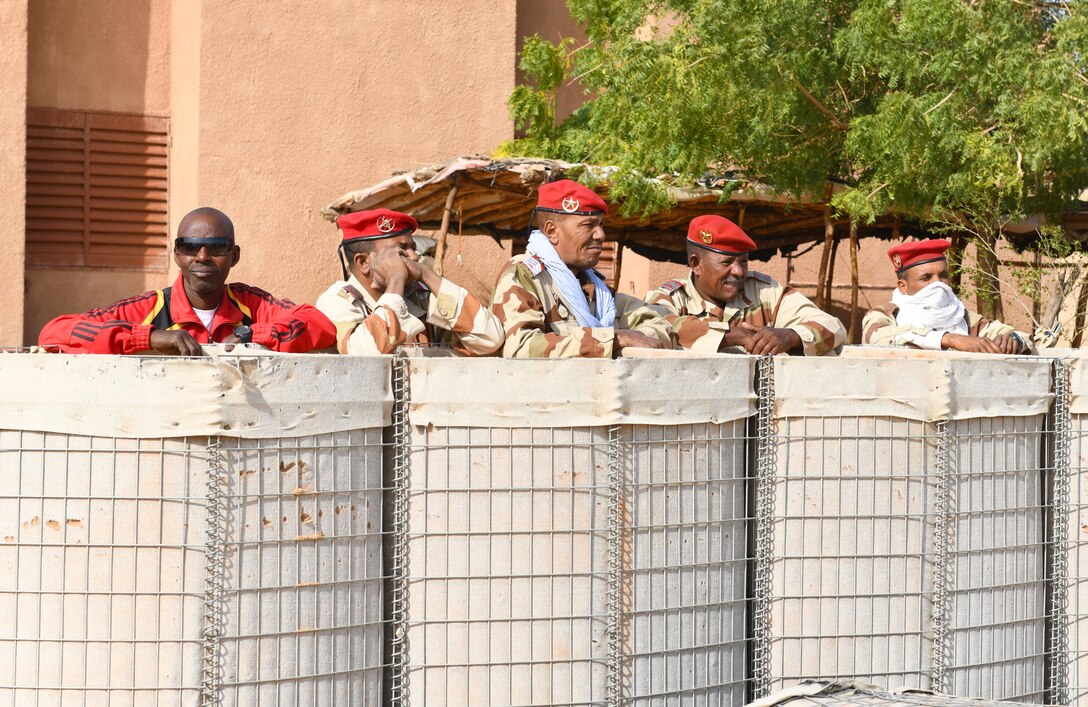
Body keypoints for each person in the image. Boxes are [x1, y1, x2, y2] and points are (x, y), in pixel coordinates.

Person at [38, 207, 336, 354]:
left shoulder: (252, 304)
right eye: (190, 247)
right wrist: (148, 338)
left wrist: (250, 335)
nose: (203, 257)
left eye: (217, 247)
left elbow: (318, 323)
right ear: (177, 255)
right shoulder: (149, 308)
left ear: (234, 256)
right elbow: (55, 332)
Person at [490, 179, 675, 358]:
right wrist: (613, 340)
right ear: (552, 231)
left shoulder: (594, 287)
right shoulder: (525, 276)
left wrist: (634, 339)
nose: (601, 235)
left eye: (602, 225)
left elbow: (660, 324)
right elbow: (519, 346)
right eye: (588, 225)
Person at [645, 215, 846, 355]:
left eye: (743, 262)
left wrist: (791, 336)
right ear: (696, 265)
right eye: (727, 263)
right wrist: (738, 336)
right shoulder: (669, 298)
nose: (739, 271)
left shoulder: (765, 292)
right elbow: (657, 330)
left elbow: (834, 327)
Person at [315, 208, 503, 355]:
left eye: (413, 248)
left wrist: (428, 275)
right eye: (401, 250)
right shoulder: (337, 302)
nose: (414, 257)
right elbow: (364, 356)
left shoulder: (418, 297)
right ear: (363, 262)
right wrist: (395, 280)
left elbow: (490, 339)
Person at [862, 239, 1032, 353]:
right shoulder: (885, 314)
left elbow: (1023, 336)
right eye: (926, 278)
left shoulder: (963, 318)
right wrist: (949, 340)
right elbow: (878, 337)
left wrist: (1012, 339)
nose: (938, 284)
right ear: (903, 286)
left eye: (943, 275)